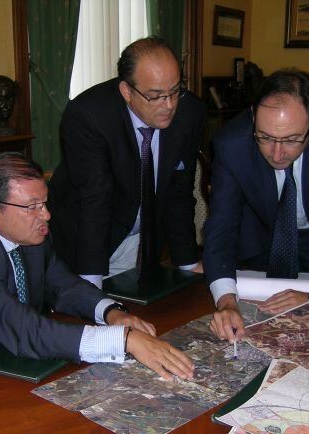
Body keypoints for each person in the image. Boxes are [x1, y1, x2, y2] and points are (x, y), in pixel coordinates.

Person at [0, 154, 194, 381]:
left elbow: (63, 285)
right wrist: (124, 340)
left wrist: (111, 312)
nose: (47, 215)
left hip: (1, 357)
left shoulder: (30, 235)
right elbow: (23, 330)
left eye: (45, 202)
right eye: (32, 207)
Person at [205, 68, 309, 343]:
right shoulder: (230, 144)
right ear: (253, 116)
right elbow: (221, 227)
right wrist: (227, 303)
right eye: (265, 137)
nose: (277, 153)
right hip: (266, 238)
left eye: (291, 140)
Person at [48, 37, 206, 287]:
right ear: (126, 91)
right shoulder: (89, 115)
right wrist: (90, 289)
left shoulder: (190, 112)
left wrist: (188, 263)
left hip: (142, 243)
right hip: (84, 242)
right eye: (155, 96)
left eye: (175, 91)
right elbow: (93, 201)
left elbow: (180, 192)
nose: (169, 105)